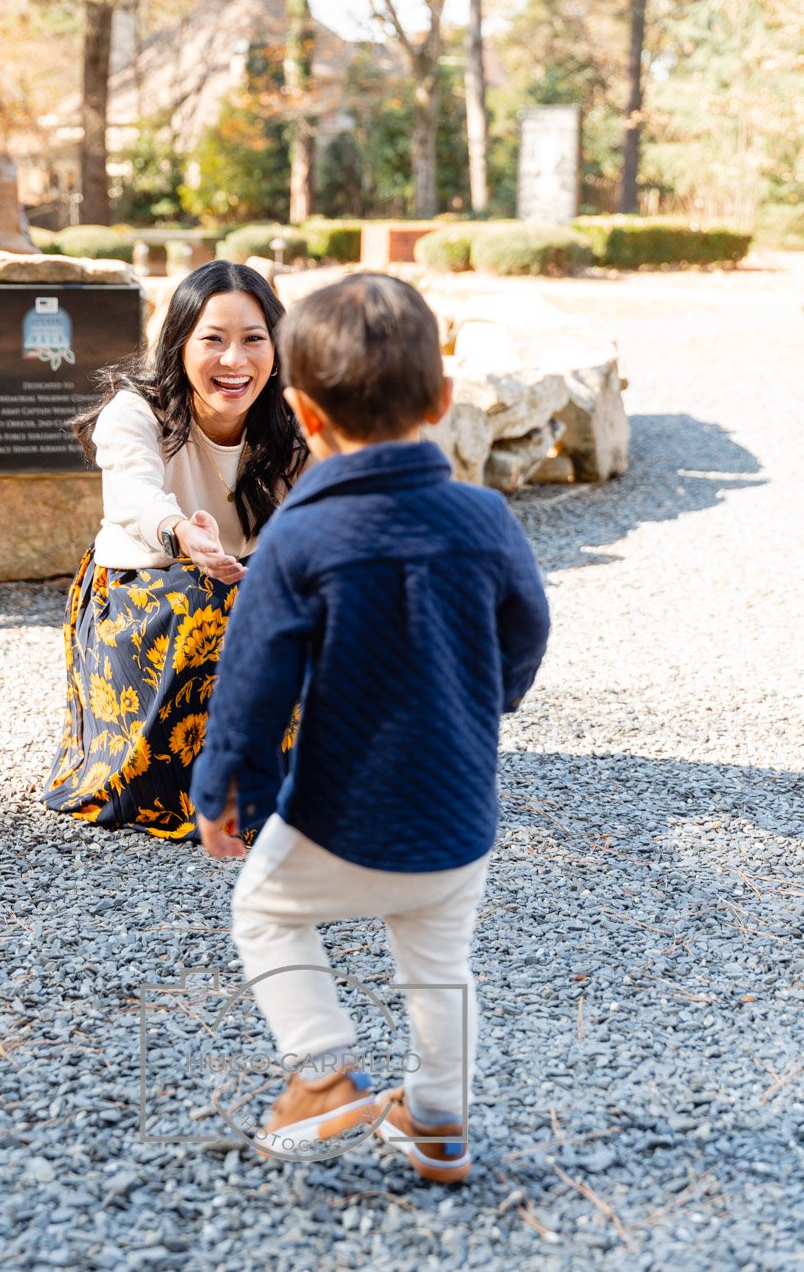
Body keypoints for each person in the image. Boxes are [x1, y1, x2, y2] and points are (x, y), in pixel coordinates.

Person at [191, 273, 550, 1182]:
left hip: (342, 810)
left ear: (304, 415)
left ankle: (320, 1072)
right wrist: (488, 697)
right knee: (439, 964)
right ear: (440, 398)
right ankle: (437, 1121)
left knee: (265, 911)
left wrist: (227, 786)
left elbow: (253, 681)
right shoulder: (486, 518)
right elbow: (528, 627)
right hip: (459, 814)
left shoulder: (298, 539)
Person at [41, 260, 308, 836]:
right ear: (179, 344)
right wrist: (183, 532)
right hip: (144, 595)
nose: (234, 361)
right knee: (218, 604)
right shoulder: (137, 412)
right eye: (213, 340)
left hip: (252, 582)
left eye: (253, 340)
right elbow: (134, 491)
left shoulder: (292, 420)